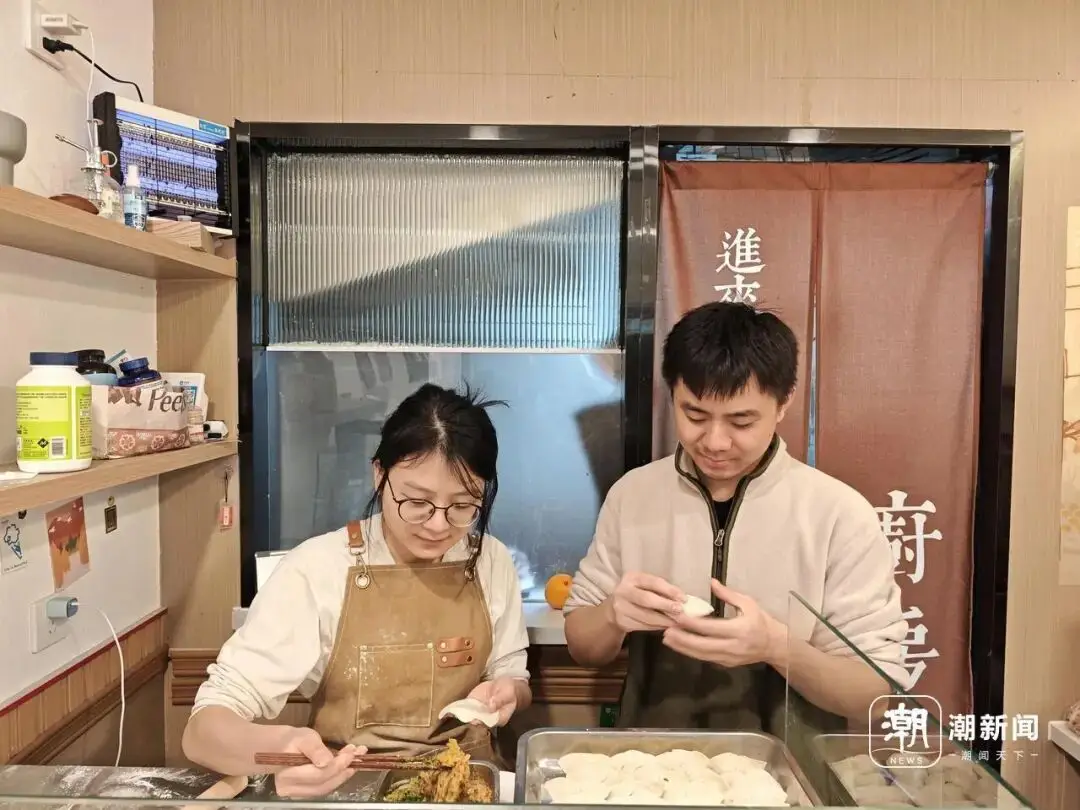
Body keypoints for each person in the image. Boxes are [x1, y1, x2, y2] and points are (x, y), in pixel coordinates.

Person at [563, 302, 907, 732]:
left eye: (741, 422)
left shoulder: (838, 514)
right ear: (672, 394)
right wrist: (613, 614)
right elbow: (583, 645)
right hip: (653, 759)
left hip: (788, 765)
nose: (715, 442)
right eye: (694, 415)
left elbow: (875, 696)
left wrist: (776, 647)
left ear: (783, 403)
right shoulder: (632, 495)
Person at [183, 383, 531, 798]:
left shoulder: (490, 560)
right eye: (417, 501)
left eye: (462, 506)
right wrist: (278, 748)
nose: (438, 525)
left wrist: (509, 690)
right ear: (379, 474)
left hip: (467, 789)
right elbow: (203, 731)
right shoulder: (317, 568)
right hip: (346, 791)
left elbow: (511, 673)